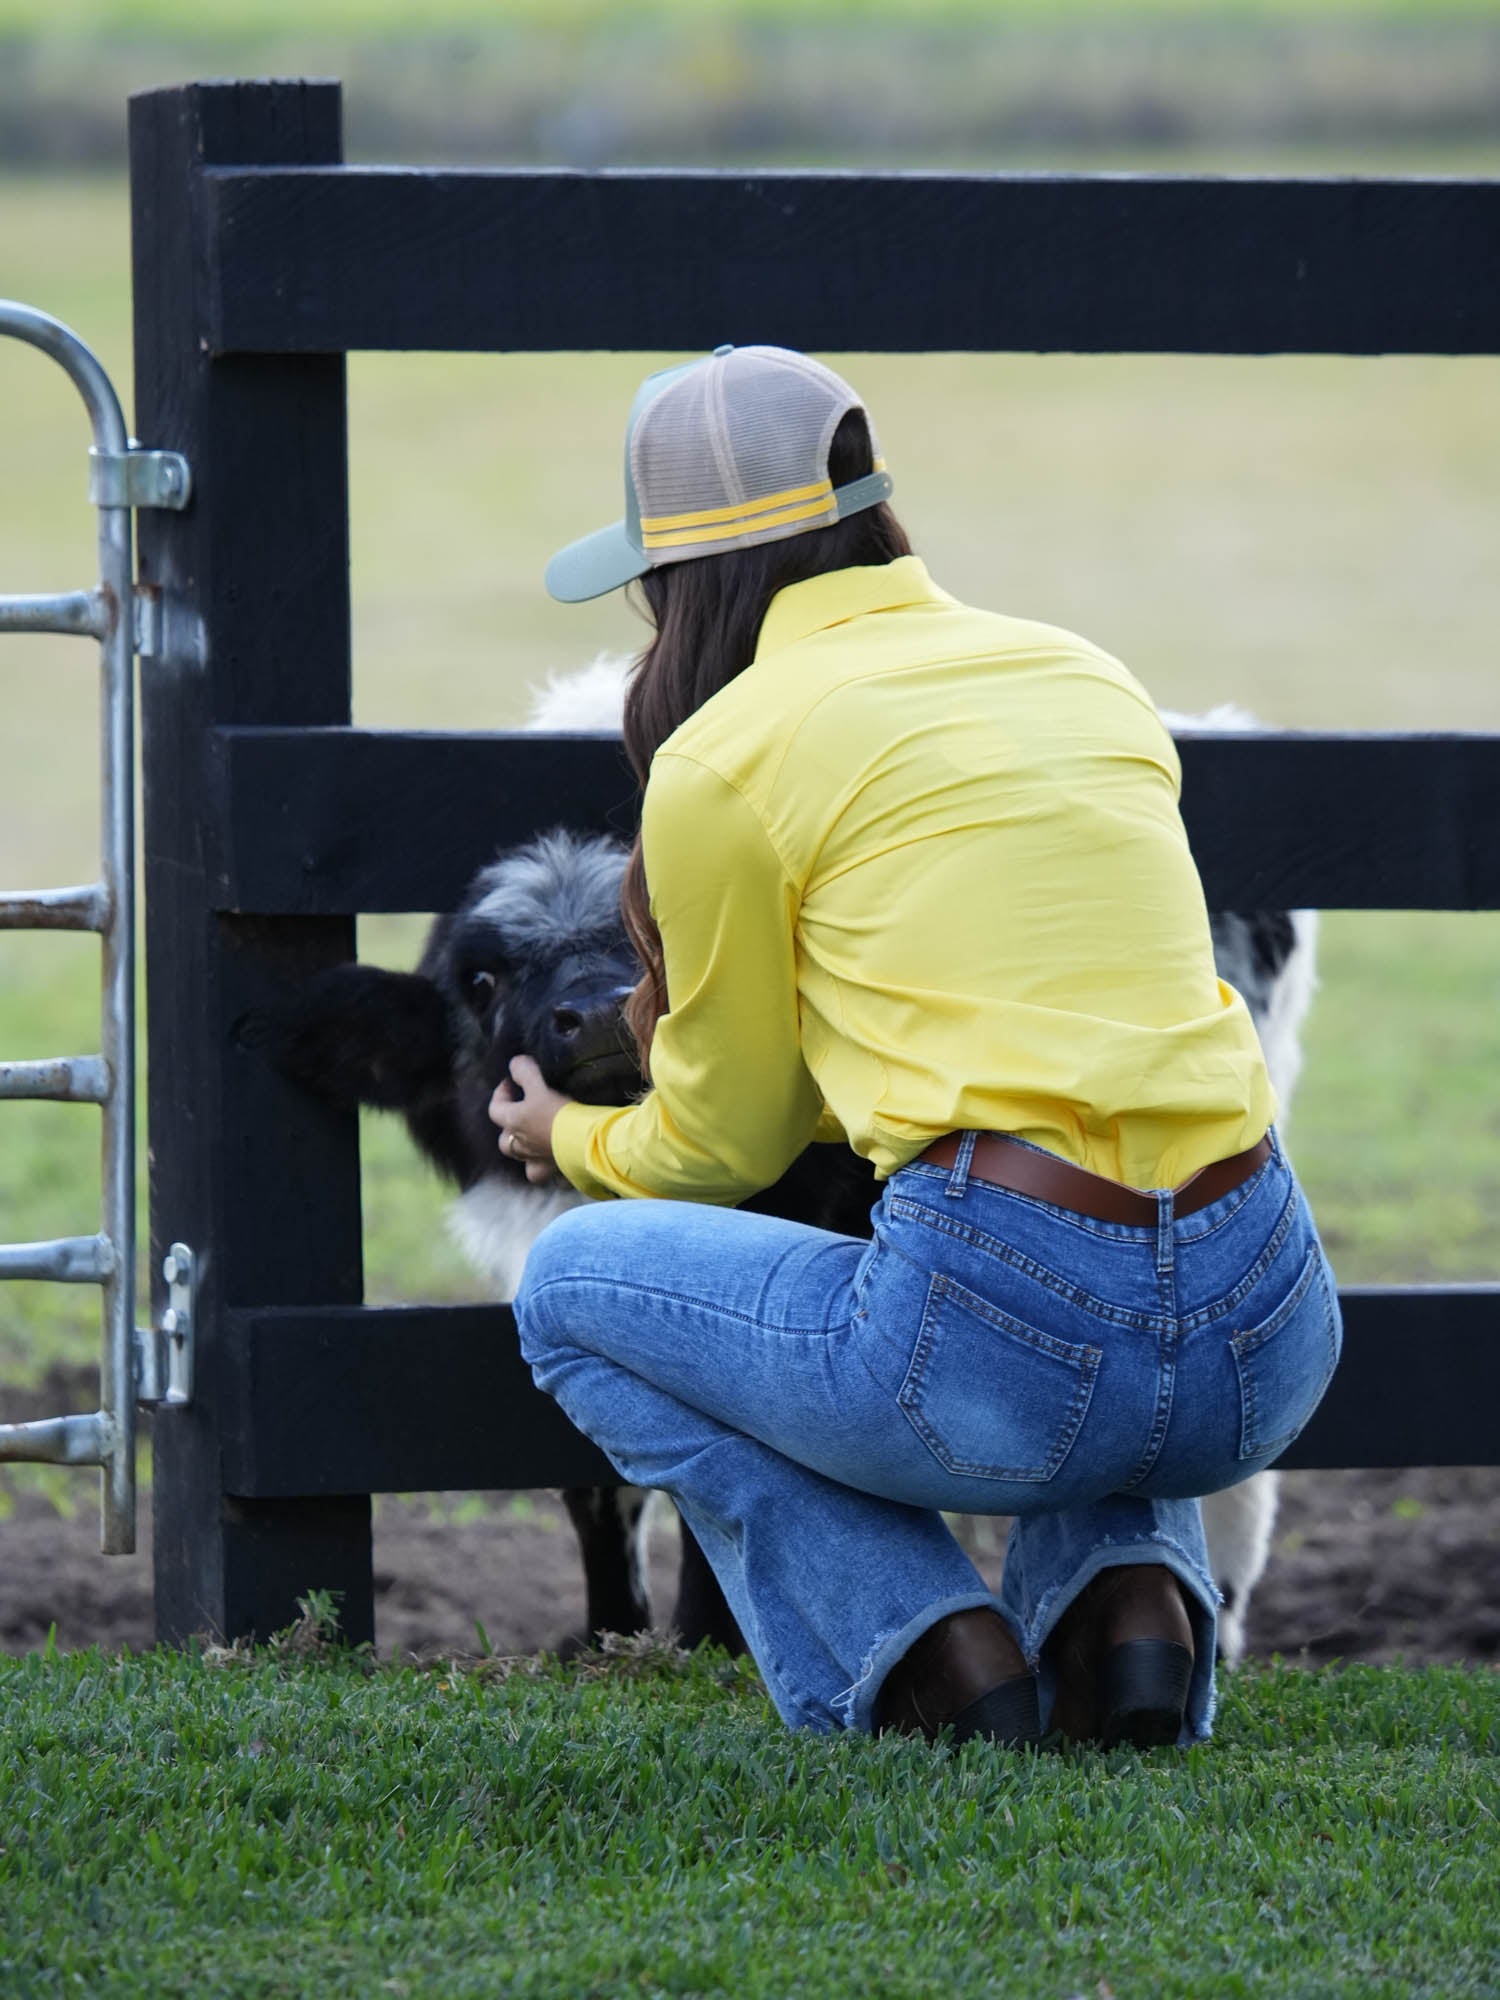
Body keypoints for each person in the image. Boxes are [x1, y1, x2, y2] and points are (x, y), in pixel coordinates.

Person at [490, 344, 1341, 1749]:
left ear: (683, 580)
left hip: (1024, 1353)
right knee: (1108, 1213)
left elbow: (718, 1150)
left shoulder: (723, 760)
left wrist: (561, 1135)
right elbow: (1068, 1044)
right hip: (1270, 1322)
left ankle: (928, 1651)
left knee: (573, 1284)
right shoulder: (1083, 675)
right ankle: (1129, 1606)